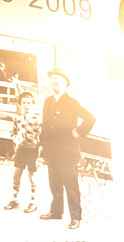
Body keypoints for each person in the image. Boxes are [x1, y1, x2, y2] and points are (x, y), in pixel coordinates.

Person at [38, 66, 95, 230]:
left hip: (67, 152)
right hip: (51, 150)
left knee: (71, 185)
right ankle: (56, 212)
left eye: (57, 79)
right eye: (52, 79)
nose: (54, 81)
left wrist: (79, 131)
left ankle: (75, 218)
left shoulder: (71, 102)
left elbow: (90, 118)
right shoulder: (48, 101)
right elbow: (45, 126)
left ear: (65, 83)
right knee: (54, 183)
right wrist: (42, 146)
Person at [4, 90, 41, 214]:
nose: (26, 105)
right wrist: (15, 138)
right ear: (21, 104)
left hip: (33, 150)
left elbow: (41, 136)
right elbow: (13, 132)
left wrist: (39, 152)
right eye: (24, 103)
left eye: (28, 103)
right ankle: (15, 199)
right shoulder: (18, 118)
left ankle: (33, 201)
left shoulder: (37, 119)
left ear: (33, 104)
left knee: (32, 177)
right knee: (16, 175)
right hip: (21, 150)